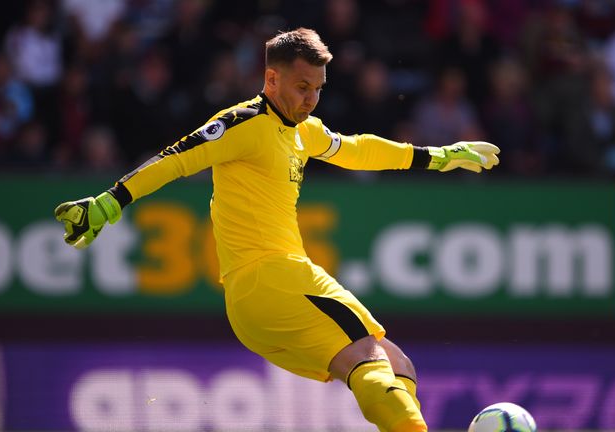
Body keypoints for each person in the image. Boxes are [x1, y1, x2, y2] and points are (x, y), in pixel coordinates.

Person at [54, 28, 499, 432]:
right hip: (272, 277)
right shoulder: (243, 122)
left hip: (260, 302)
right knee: (370, 356)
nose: (310, 100)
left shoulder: (304, 131)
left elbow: (357, 150)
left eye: (318, 90)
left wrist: (436, 156)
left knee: (398, 367)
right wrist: (111, 201)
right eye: (302, 87)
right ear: (271, 80)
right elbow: (177, 158)